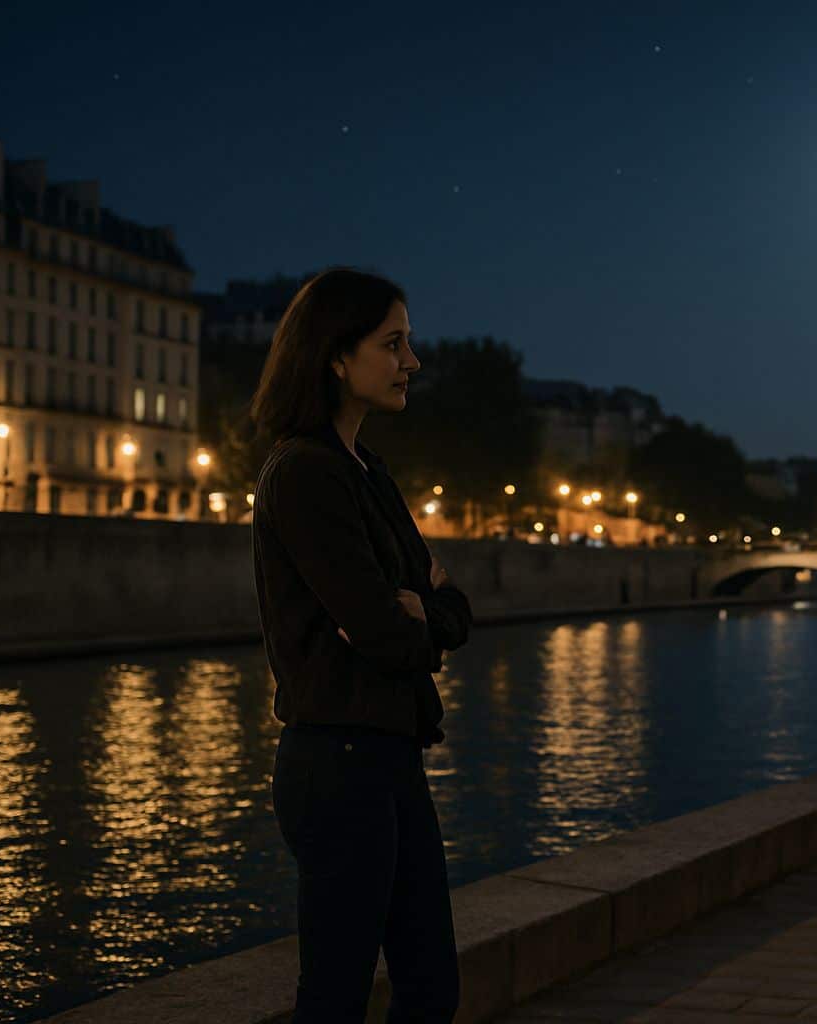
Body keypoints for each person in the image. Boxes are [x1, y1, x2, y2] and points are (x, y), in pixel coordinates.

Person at [249, 268, 473, 1022]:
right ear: (335, 357)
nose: (412, 361)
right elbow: (385, 636)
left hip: (387, 758)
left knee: (431, 986)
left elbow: (450, 605)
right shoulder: (305, 474)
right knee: (336, 997)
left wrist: (424, 613)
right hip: (337, 766)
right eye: (393, 343)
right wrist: (415, 613)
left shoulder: (366, 470)